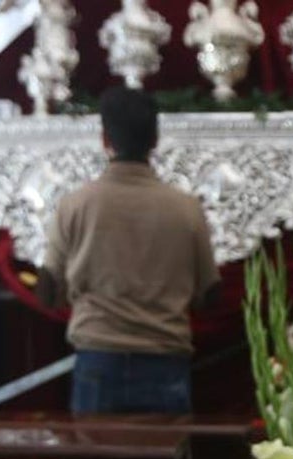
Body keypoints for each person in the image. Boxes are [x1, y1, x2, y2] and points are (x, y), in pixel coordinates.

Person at [38, 86, 220, 414]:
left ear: (105, 139)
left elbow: (47, 289)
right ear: (154, 141)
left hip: (97, 358)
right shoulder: (186, 208)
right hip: (166, 362)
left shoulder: (75, 204)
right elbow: (210, 294)